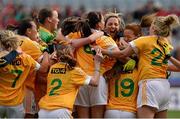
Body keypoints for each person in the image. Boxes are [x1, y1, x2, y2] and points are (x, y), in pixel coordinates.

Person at [98, 14, 180, 118]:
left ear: (154, 28)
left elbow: (122, 54)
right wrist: (170, 57)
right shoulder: (165, 43)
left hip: (150, 84)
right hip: (164, 86)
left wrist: (102, 50)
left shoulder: (144, 40)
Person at [38, 43, 103, 118]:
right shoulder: (74, 71)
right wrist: (97, 63)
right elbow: (95, 82)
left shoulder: (52, 68)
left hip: (43, 111)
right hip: (61, 111)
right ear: (71, 54)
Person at [0, 30, 49, 118]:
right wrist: (46, 51)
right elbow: (43, 69)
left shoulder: (1, 57)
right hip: (15, 103)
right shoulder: (25, 58)